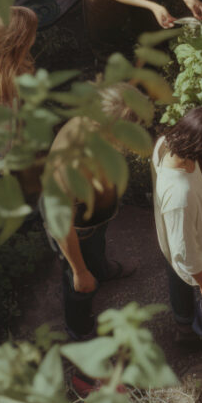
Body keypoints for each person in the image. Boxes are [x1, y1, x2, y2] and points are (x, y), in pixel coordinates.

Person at [41, 83, 140, 341]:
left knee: (96, 246)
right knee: (78, 285)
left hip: (94, 218)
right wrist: (79, 271)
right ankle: (80, 327)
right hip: (75, 230)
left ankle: (101, 269)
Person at [151, 106, 202, 350]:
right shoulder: (180, 196)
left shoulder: (170, 145)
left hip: (188, 234)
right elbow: (185, 250)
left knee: (178, 276)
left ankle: (185, 323)